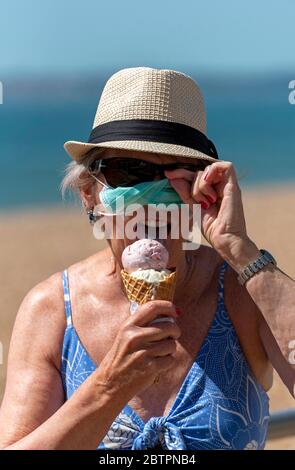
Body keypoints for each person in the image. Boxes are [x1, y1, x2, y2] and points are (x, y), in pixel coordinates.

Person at [0, 67, 294, 450]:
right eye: (128, 173)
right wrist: (108, 387)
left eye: (177, 178)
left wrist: (239, 248)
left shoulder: (238, 292)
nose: (153, 200)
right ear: (89, 194)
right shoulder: (52, 310)